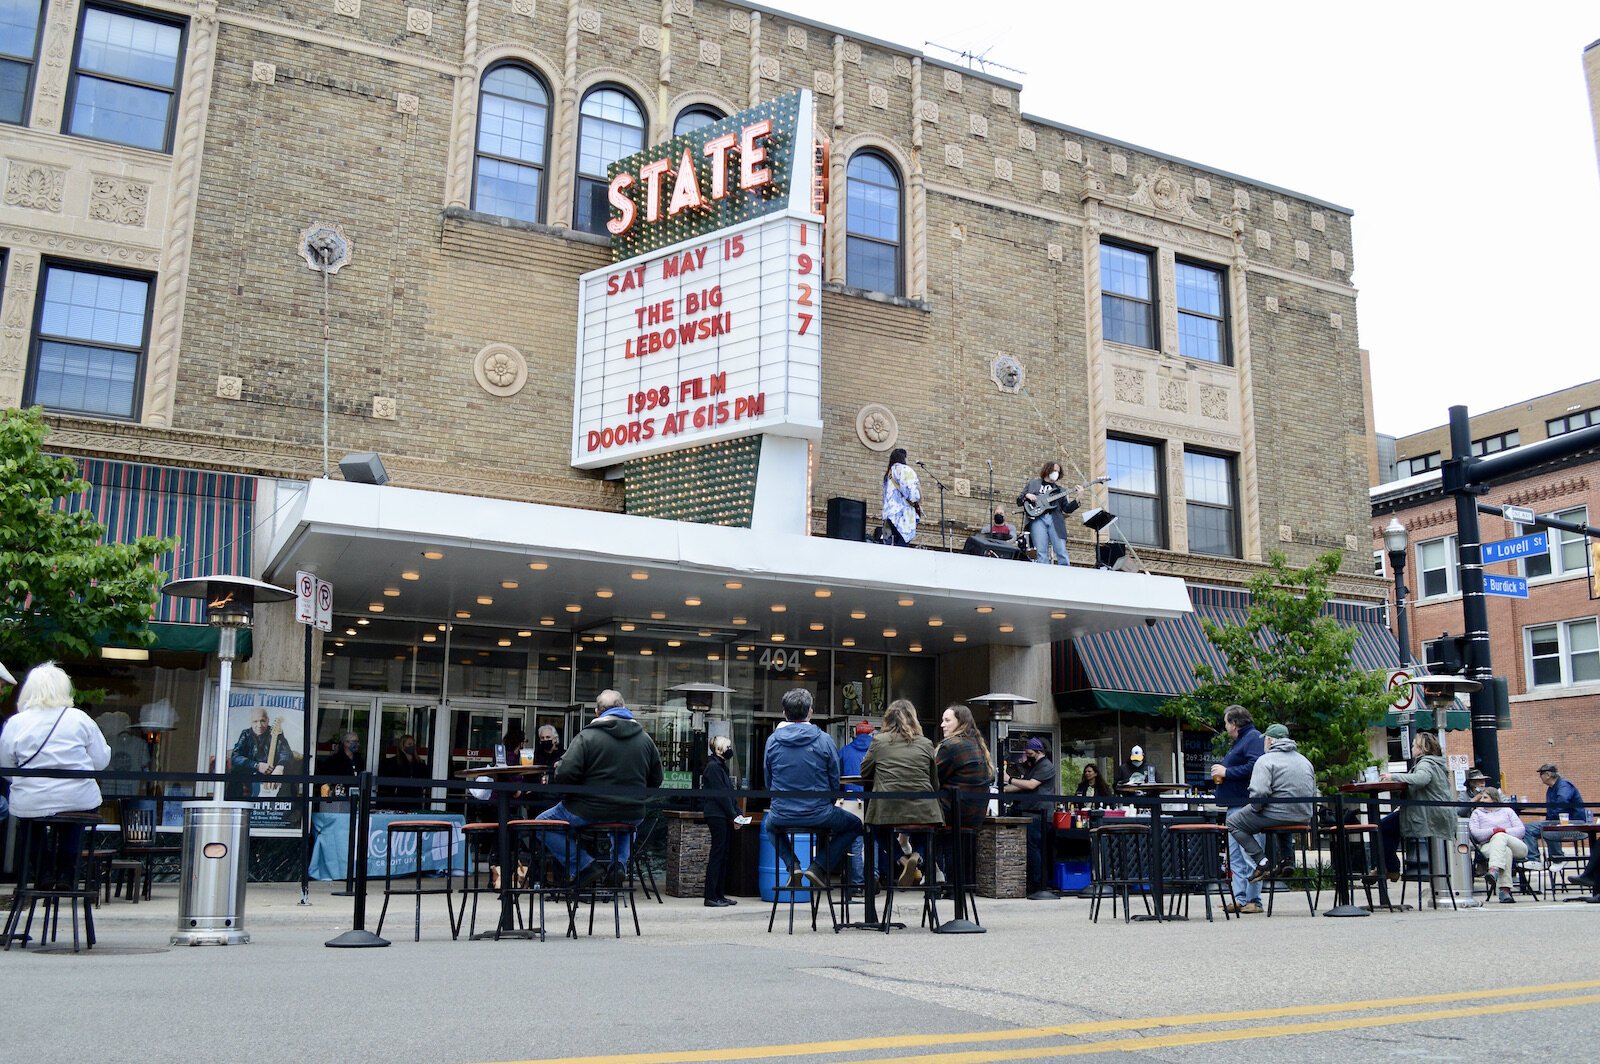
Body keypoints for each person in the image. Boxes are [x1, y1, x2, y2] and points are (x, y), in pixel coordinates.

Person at [0, 663, 111, 887]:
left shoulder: (16, 723)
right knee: (75, 819)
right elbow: (101, 761)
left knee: (30, 822)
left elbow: (6, 765)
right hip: (76, 797)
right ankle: (66, 874)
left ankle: (42, 872)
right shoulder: (80, 719)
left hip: (31, 799)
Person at [537, 690, 664, 886]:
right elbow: (657, 778)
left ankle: (584, 865)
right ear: (623, 707)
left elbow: (565, 775)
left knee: (541, 824)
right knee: (627, 826)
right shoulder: (645, 740)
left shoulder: (587, 736)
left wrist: (563, 768)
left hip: (588, 809)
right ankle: (618, 865)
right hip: (632, 810)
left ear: (597, 712)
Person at [762, 688, 862, 887]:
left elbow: (768, 780)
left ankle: (793, 866)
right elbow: (834, 778)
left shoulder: (772, 741)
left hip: (782, 813)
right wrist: (828, 803)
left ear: (784, 713)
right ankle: (819, 866)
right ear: (810, 712)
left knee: (769, 826)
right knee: (856, 825)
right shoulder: (824, 739)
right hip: (820, 813)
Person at [860, 700, 943, 887]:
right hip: (924, 808)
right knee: (925, 831)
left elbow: (864, 771)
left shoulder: (879, 741)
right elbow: (934, 781)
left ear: (887, 719)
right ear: (914, 719)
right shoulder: (926, 743)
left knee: (877, 830)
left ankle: (902, 859)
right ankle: (916, 855)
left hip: (888, 807)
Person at [1225, 723, 1316, 887]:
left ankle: (1261, 861)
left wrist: (1255, 810)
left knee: (1233, 822)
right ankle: (1287, 860)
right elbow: (1312, 791)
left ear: (1270, 740)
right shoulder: (1305, 761)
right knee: (1283, 818)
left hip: (1276, 814)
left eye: (1265, 740)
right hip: (1303, 816)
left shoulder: (1265, 760)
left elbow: (1259, 794)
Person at [1377, 732, 1457, 879]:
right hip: (1437, 813)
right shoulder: (1437, 763)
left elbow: (1421, 779)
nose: (1412, 748)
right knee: (1389, 826)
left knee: (1382, 827)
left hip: (1427, 814)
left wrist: (1393, 776)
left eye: (1414, 745)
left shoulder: (1426, 763)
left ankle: (1391, 868)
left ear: (1422, 748)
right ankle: (1388, 867)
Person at [1211, 705, 1266, 915]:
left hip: (1246, 805)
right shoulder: (1240, 742)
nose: (1225, 727)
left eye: (1226, 722)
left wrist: (1227, 771)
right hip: (1234, 805)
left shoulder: (1252, 738)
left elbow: (1256, 765)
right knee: (1235, 855)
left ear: (1234, 724)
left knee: (1249, 853)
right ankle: (1240, 898)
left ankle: (1254, 899)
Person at [1002, 736, 1056, 893]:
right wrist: (1002, 788)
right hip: (1030, 813)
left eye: (1029, 752)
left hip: (1038, 814)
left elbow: (1031, 785)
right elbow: (1022, 786)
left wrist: (1009, 779)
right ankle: (1032, 881)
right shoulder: (1034, 766)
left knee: (1033, 849)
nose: (1027, 756)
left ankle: (1037, 883)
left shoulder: (1046, 766)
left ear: (1038, 751)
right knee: (1031, 848)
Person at [936, 704, 993, 827]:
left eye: (947, 720)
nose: (942, 725)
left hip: (953, 814)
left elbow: (932, 777)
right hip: (976, 815)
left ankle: (903, 844)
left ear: (961, 722)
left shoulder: (951, 746)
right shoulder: (977, 744)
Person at [700, 735, 741, 907]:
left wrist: (736, 813)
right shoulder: (714, 768)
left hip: (722, 814)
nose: (730, 749)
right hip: (717, 814)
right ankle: (711, 895)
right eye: (728, 746)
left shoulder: (719, 767)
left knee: (722, 854)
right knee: (718, 854)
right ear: (719, 749)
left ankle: (719, 894)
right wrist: (733, 815)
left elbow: (729, 794)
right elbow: (722, 796)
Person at [1467, 787, 1526, 904]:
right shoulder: (1477, 813)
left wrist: (1502, 831)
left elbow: (1521, 830)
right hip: (1489, 846)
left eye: (1485, 797)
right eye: (1481, 797)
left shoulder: (1507, 811)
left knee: (1500, 837)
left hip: (1515, 845)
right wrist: (1493, 831)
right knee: (1506, 851)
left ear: (1494, 798)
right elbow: (1476, 834)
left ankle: (1493, 869)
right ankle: (1505, 891)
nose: (1482, 800)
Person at [1016, 460, 1079, 566]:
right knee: (1041, 552)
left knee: (1061, 550)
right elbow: (1019, 500)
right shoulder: (1033, 483)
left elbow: (1066, 509)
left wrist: (1078, 498)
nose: (1056, 473)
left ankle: (1066, 575)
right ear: (1047, 470)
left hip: (1055, 520)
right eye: (1054, 470)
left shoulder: (1060, 490)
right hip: (1037, 519)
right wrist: (1027, 495)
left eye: (1058, 471)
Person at [1525, 763, 1590, 864]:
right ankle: (1534, 860)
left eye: (1541, 774)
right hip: (1556, 822)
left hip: (1573, 824)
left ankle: (1558, 858)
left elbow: (1562, 803)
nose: (1540, 777)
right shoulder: (1551, 789)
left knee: (1548, 828)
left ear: (1548, 774)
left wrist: (1549, 821)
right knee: (1526, 829)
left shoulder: (1564, 785)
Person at [228, 707, 295, 799]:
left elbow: (286, 752)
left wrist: (279, 767)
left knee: (287, 781)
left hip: (272, 775)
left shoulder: (276, 733)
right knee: (234, 776)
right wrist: (256, 765)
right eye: (255, 721)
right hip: (251, 775)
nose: (259, 725)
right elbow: (235, 757)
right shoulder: (246, 734)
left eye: (262, 721)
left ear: (268, 721)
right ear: (250, 722)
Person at [838, 720, 874, 885]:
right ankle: (873, 878)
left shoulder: (844, 751)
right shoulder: (876, 752)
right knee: (873, 841)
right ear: (872, 734)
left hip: (851, 802)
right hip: (874, 802)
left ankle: (857, 883)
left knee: (856, 842)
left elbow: (836, 778)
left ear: (855, 733)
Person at [880, 447, 922, 547]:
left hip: (889, 515)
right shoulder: (905, 470)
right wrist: (919, 495)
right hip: (902, 516)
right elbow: (912, 495)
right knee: (902, 547)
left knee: (890, 548)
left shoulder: (888, 473)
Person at [378, 734, 430, 805]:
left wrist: (423, 788)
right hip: (399, 798)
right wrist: (394, 789)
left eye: (413, 744)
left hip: (415, 797)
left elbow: (425, 777)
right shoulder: (393, 762)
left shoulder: (420, 763)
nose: (412, 746)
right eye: (409, 744)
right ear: (402, 746)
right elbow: (387, 779)